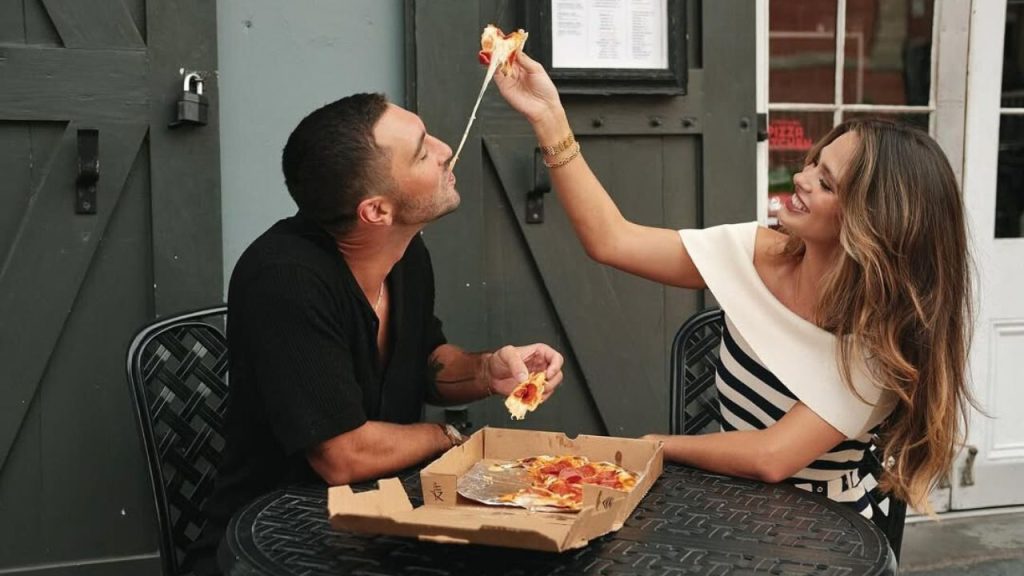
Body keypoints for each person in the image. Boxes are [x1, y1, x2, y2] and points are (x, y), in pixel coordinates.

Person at [494, 52, 974, 516]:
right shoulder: (754, 251)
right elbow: (611, 240)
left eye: (827, 184)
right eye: (813, 163)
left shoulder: (878, 341)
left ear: (875, 224)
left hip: (827, 529)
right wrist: (549, 117)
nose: (803, 179)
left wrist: (651, 446)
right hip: (731, 507)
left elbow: (772, 457)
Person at [191, 93, 564, 575]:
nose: (446, 148)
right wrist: (448, 435)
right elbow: (342, 456)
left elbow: (427, 361)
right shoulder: (284, 280)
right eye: (422, 151)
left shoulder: (405, 253)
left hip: (386, 529)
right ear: (376, 211)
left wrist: (487, 371)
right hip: (275, 546)